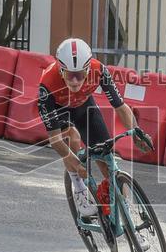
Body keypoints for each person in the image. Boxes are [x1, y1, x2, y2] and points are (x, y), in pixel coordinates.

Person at [38, 38, 154, 224]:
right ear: (60, 69)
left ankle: (127, 220)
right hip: (59, 110)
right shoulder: (47, 84)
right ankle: (80, 190)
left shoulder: (98, 70)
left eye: (80, 74)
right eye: (69, 75)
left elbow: (120, 106)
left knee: (106, 160)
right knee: (73, 139)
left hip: (84, 108)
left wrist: (136, 132)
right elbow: (55, 140)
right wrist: (76, 165)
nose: (75, 81)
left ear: (88, 69)